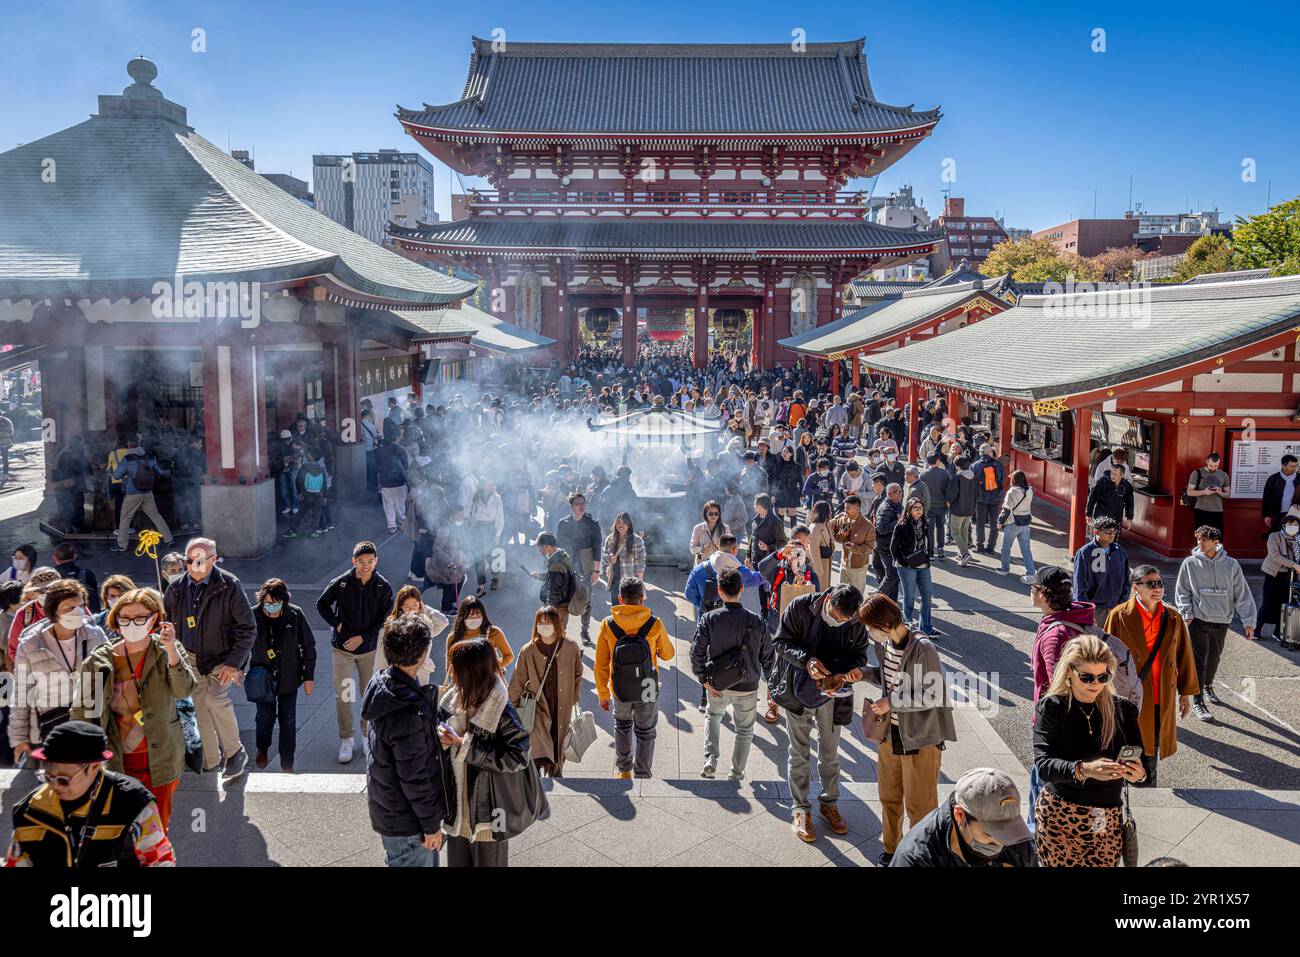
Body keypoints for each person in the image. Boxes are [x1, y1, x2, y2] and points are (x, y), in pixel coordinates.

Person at [74, 587, 195, 829]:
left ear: (154, 619)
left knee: (157, 828)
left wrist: (171, 650)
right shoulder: (98, 661)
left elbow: (184, 690)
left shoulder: (168, 651)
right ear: (115, 620)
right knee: (120, 828)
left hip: (161, 757)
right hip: (116, 759)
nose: (132, 624)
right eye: (125, 618)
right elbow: (84, 712)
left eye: (140, 618)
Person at [1033, 635, 1153, 866]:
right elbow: (1044, 766)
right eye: (1086, 677)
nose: (1095, 684)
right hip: (1060, 816)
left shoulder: (1123, 710)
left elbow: (1144, 769)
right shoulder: (1051, 708)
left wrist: (1139, 774)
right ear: (1069, 671)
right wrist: (1085, 769)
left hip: (1105, 816)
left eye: (1103, 677)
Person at [768, 584, 869, 843]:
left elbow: (859, 654)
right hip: (798, 690)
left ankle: (829, 802)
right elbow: (780, 642)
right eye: (835, 616)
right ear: (827, 601)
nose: (839, 622)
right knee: (799, 752)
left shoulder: (855, 620)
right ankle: (801, 809)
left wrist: (853, 671)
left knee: (830, 753)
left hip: (834, 694)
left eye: (845, 620)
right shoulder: (801, 606)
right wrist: (807, 661)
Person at [859, 592, 955, 864]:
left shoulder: (923, 649)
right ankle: (892, 851)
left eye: (871, 626)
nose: (870, 632)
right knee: (889, 798)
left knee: (920, 806)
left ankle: (920, 856)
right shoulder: (886, 645)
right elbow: (886, 676)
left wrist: (892, 702)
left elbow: (934, 694)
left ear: (885, 623)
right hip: (889, 735)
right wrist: (863, 673)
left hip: (920, 739)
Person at [4, 721, 176, 867]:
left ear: (94, 767)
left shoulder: (133, 802)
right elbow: (17, 862)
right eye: (47, 777)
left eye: (64, 779)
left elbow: (160, 861)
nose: (55, 786)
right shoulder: (30, 810)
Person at [162, 537, 254, 781]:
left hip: (221, 658)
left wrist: (235, 663)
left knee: (215, 698)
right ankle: (210, 760)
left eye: (201, 560)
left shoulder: (229, 584)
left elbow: (247, 627)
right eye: (190, 561)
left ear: (214, 559)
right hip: (190, 657)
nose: (194, 565)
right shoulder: (175, 588)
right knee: (199, 709)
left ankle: (235, 753)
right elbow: (167, 620)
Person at [437, 636, 534, 866]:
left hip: (489, 817)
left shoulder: (501, 707)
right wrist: (441, 739)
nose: (450, 670)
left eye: (455, 665)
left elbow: (519, 756)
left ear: (471, 670)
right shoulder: (451, 699)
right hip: (457, 815)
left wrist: (465, 745)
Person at [362, 614, 446, 867]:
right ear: (421, 654)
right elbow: (414, 776)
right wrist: (431, 826)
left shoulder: (382, 683)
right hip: (408, 821)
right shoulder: (407, 708)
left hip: (391, 811)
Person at [1104, 566, 1199, 782]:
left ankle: (1147, 783)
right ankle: (1128, 785)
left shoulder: (1173, 617)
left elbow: (1184, 655)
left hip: (1161, 695)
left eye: (1160, 583)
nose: (1157, 589)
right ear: (1136, 588)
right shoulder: (1118, 615)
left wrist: (1186, 693)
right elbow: (1105, 656)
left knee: (1151, 749)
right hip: (1130, 695)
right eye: (1151, 584)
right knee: (1129, 746)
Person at [9, 579, 109, 764]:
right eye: (69, 608)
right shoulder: (30, 645)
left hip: (91, 725)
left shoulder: (96, 636)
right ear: (53, 611)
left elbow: (111, 679)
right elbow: (21, 694)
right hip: (51, 728)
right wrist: (19, 737)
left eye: (80, 605)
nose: (77, 611)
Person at [689, 567, 773, 781]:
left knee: (713, 715)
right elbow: (768, 657)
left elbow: (696, 651)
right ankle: (736, 773)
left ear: (719, 591)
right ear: (742, 589)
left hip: (718, 683)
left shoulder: (709, 619)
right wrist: (771, 685)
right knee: (744, 730)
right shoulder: (756, 621)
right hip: (748, 684)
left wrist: (702, 678)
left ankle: (710, 758)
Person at [315, 541, 393, 764]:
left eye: (369, 561)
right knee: (345, 695)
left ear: (376, 561)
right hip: (343, 652)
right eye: (361, 561)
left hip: (368, 651)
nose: (365, 565)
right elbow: (322, 604)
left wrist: (364, 637)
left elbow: (384, 619)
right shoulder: (341, 583)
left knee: (368, 695)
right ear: (354, 561)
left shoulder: (382, 586)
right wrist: (336, 624)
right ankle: (346, 739)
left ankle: (368, 737)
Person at [1173, 526, 1256, 723]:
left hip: (1222, 619)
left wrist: (1248, 621)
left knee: (1214, 658)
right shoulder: (1190, 563)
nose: (1199, 544)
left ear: (1216, 541)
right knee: (1199, 661)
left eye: (1204, 540)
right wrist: (1187, 613)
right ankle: (1199, 700)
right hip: (1199, 619)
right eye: (1198, 540)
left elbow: (1242, 593)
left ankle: (1208, 685)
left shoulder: (1231, 565)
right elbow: (1182, 590)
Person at [595, 577, 675, 779]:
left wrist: (603, 694)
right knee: (646, 731)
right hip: (647, 687)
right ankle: (643, 773)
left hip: (619, 687)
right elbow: (668, 654)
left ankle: (624, 771)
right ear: (642, 598)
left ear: (620, 599)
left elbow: (601, 664)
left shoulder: (607, 625)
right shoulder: (654, 623)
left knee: (622, 726)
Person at [890, 767, 1036, 867]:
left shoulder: (1015, 841)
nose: (1000, 842)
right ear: (960, 815)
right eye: (990, 834)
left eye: (1008, 833)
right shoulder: (914, 858)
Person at [249, 579, 316, 772]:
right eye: (268, 603)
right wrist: (237, 668)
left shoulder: (295, 614)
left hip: (289, 675)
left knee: (288, 720)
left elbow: (308, 646)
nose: (272, 607)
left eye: (276, 603)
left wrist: (308, 677)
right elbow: (241, 643)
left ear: (284, 601)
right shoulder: (252, 615)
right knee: (265, 718)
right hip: (262, 677)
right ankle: (262, 748)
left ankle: (287, 763)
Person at [508, 606, 582, 777]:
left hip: (561, 705)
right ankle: (537, 779)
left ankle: (557, 772)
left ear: (557, 624)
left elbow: (578, 673)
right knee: (538, 744)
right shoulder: (528, 650)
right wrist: (510, 708)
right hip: (537, 707)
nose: (544, 626)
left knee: (558, 740)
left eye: (548, 622)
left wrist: (573, 698)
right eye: (540, 623)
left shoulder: (571, 647)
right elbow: (518, 680)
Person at [110, 435, 173, 553]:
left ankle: (122, 545)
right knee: (155, 515)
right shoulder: (149, 457)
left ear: (129, 445)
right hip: (148, 492)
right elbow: (159, 473)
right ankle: (169, 539)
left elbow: (117, 475)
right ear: (139, 444)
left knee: (125, 518)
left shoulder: (127, 459)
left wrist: (112, 474)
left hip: (133, 493)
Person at [376, 584, 448, 685]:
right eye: (407, 606)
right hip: (398, 678)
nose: (411, 610)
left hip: (421, 676)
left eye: (415, 605)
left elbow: (443, 622)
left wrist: (426, 609)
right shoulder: (391, 628)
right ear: (400, 607)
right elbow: (381, 660)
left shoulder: (424, 624)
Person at [1072, 517, 1129, 628]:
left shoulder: (1119, 551)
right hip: (1095, 610)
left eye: (1114, 531)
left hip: (1116, 607)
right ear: (1097, 531)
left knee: (1115, 644)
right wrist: (1085, 611)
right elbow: (1079, 585)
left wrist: (1121, 602)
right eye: (1108, 532)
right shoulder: (1084, 553)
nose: (1112, 535)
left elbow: (1127, 580)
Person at [892, 497, 936, 634]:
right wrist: (904, 561)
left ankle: (926, 627)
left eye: (921, 508)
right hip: (907, 566)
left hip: (923, 565)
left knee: (927, 596)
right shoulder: (901, 526)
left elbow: (929, 543)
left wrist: (928, 558)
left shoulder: (926, 524)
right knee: (909, 597)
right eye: (916, 508)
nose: (919, 511)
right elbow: (894, 548)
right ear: (909, 510)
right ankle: (907, 622)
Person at [445, 595, 514, 678]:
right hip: (465, 684)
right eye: (470, 615)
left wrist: (494, 668)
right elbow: (449, 667)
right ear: (462, 617)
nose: (475, 618)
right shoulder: (453, 638)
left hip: (490, 682)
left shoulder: (494, 633)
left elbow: (509, 655)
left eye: (478, 614)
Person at [1258, 504, 1300, 640]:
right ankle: (1257, 629)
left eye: (1295, 524)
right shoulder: (1274, 536)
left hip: (1289, 575)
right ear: (1283, 525)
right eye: (1290, 523)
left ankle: (1278, 631)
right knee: (1269, 602)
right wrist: (1294, 564)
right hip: (1273, 573)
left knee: (1283, 602)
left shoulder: (1297, 539)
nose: (1293, 526)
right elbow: (1275, 556)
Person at [531, 532, 577, 639]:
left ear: (546, 547)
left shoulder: (556, 564)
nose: (539, 551)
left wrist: (548, 610)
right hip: (565, 604)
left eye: (540, 547)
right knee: (561, 633)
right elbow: (557, 578)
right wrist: (539, 576)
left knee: (553, 637)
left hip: (558, 607)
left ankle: (562, 654)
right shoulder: (562, 555)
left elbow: (554, 590)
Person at [829, 494, 875, 595]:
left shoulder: (868, 526)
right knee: (842, 591)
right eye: (845, 507)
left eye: (848, 508)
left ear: (857, 508)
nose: (845, 510)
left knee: (856, 593)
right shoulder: (842, 519)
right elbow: (836, 537)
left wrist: (855, 548)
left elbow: (870, 547)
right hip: (844, 562)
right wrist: (841, 535)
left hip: (858, 565)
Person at [997, 470, 1036, 583]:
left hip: (1014, 523)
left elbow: (1007, 510)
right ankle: (1031, 572)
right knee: (1026, 550)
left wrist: (1000, 521)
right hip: (1026, 523)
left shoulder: (1012, 492)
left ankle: (1005, 569)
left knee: (1005, 548)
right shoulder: (1030, 490)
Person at [602, 511, 646, 603]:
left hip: (630, 583)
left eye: (624, 523)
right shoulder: (610, 539)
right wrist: (609, 558)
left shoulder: (637, 540)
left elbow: (641, 563)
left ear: (629, 525)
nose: (621, 525)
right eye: (618, 522)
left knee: (630, 612)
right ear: (615, 524)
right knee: (616, 610)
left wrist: (640, 585)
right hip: (614, 581)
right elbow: (604, 556)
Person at [1185, 451, 1230, 538]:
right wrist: (1205, 492)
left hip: (1217, 512)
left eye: (1216, 466)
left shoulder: (1224, 475)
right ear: (1206, 461)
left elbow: (1228, 495)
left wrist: (1219, 492)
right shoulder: (1197, 473)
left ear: (1219, 463)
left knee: (1217, 539)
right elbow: (1189, 492)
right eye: (1211, 466)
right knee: (1201, 538)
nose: (1213, 468)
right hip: (1201, 511)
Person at [872, 482, 904, 603]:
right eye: (897, 492)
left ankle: (892, 604)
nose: (900, 494)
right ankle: (876, 599)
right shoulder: (886, 508)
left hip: (893, 546)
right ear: (889, 494)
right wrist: (898, 521)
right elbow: (881, 528)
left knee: (894, 579)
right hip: (885, 548)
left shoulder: (896, 504)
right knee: (893, 575)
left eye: (900, 491)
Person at [971, 444, 1005, 555]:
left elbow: (972, 482)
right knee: (994, 523)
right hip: (995, 498)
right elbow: (1001, 479)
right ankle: (991, 547)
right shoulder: (998, 464)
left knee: (980, 523)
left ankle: (979, 546)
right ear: (990, 452)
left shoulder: (975, 465)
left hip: (980, 498)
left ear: (980, 453)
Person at [918, 454, 952, 559]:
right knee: (941, 526)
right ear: (937, 461)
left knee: (930, 529)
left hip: (928, 506)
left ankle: (931, 551)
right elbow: (950, 488)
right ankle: (941, 547)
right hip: (942, 505)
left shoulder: (923, 474)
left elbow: (921, 491)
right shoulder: (945, 473)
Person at [51, 543, 100, 615]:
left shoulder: (51, 575)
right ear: (75, 556)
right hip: (86, 614)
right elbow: (94, 590)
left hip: (62, 616)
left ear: (54, 558)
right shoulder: (87, 573)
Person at [375, 437, 410, 533]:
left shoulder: (380, 450)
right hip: (399, 480)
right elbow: (406, 466)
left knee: (388, 504)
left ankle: (391, 525)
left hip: (385, 481)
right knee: (400, 504)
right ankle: (401, 522)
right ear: (396, 437)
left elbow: (377, 466)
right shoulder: (401, 449)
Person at [1086, 464, 1135, 531]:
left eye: (1115, 474)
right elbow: (1092, 498)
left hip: (1116, 519)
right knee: (1101, 538)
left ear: (1122, 475)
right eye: (1112, 473)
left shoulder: (1126, 486)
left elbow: (1129, 503)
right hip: (1101, 517)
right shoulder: (1103, 482)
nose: (1112, 476)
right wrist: (1089, 514)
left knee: (1112, 539)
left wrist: (1129, 518)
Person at [1261, 454, 1299, 532]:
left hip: (1296, 515)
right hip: (1277, 515)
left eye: (1296, 466)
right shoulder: (1273, 479)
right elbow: (1266, 497)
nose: (1294, 469)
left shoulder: (1299, 478)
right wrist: (1266, 515)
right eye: (1291, 466)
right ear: (1283, 466)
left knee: (1295, 540)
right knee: (1277, 537)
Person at [808, 500, 835, 591]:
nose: (831, 513)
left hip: (826, 562)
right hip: (820, 565)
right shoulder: (815, 528)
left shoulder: (825, 524)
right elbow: (814, 552)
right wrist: (819, 572)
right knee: (820, 590)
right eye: (829, 510)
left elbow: (831, 541)